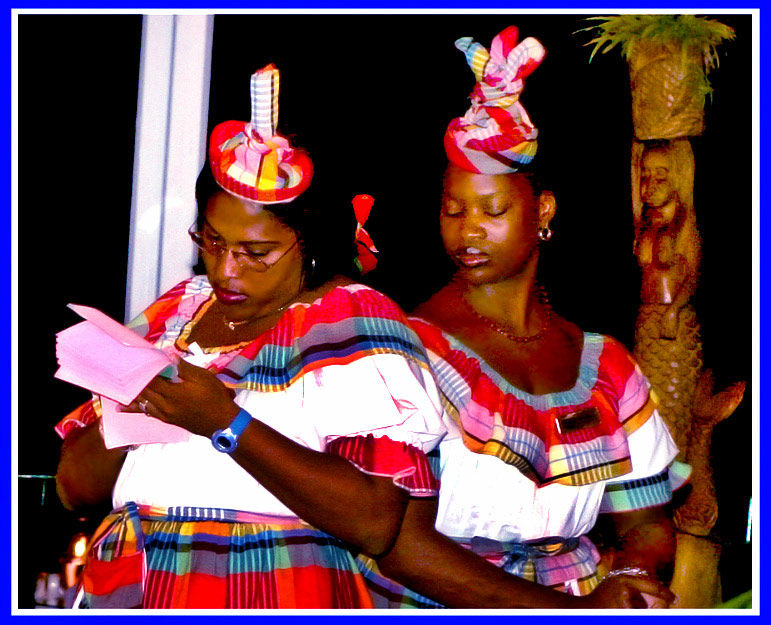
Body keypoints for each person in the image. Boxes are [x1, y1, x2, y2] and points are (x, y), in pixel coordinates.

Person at [54, 64, 447, 609]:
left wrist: (225, 421)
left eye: (255, 253)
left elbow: (375, 521)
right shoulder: (180, 309)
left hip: (272, 585)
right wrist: (136, 399)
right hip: (135, 584)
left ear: (310, 243)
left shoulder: (349, 321)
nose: (226, 272)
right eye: (211, 242)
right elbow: (75, 487)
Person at [363, 25, 690, 609]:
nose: (468, 230)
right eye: (452, 210)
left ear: (542, 210)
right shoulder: (406, 353)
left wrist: (628, 577)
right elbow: (399, 547)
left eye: (492, 210)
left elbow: (643, 522)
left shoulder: (605, 363)